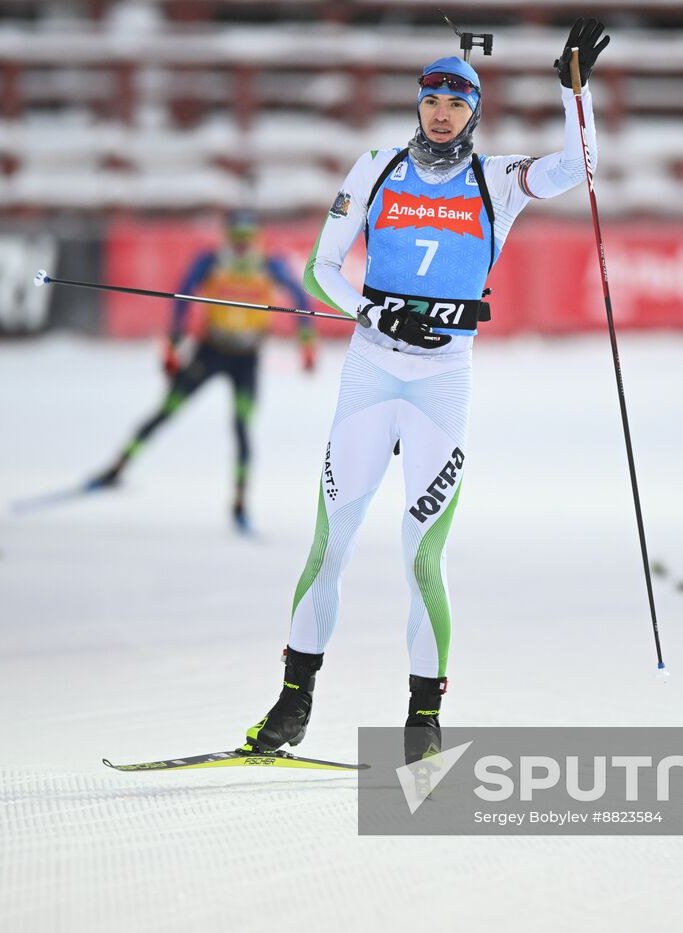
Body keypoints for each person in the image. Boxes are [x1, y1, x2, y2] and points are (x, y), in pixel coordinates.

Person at [243, 20, 609, 762]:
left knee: (421, 558)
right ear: (418, 105)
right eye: (431, 97)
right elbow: (321, 269)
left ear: (474, 110)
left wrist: (575, 93)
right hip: (371, 374)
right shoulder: (376, 167)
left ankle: (423, 718)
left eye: (457, 99)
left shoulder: (497, 179)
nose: (442, 110)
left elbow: (579, 169)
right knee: (328, 548)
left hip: (443, 382)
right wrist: (366, 308)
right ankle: (291, 704)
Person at [86, 209, 316, 534]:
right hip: (210, 352)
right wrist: (173, 344)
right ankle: (117, 468)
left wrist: (306, 343)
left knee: (241, 428)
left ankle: (239, 503)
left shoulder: (269, 264)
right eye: (235, 240)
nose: (240, 247)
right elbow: (182, 295)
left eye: (246, 240)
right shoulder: (212, 260)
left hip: (246, 359)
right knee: (167, 410)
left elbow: (298, 298)